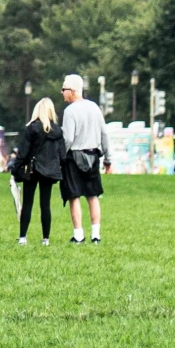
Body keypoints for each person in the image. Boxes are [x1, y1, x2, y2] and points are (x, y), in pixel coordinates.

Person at [60, 72, 111, 246]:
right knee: (93, 195)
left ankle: (79, 235)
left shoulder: (70, 111)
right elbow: (104, 133)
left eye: (64, 89)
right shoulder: (94, 108)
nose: (62, 92)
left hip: (74, 156)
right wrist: (108, 158)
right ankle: (96, 235)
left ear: (72, 91)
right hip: (93, 155)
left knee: (74, 196)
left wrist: (60, 156)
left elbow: (67, 138)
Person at [12, 99, 66, 246]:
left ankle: (23, 237)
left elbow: (23, 152)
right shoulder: (57, 131)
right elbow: (62, 155)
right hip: (49, 171)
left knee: (28, 203)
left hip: (33, 169)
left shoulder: (32, 129)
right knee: (45, 204)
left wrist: (15, 169)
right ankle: (46, 239)